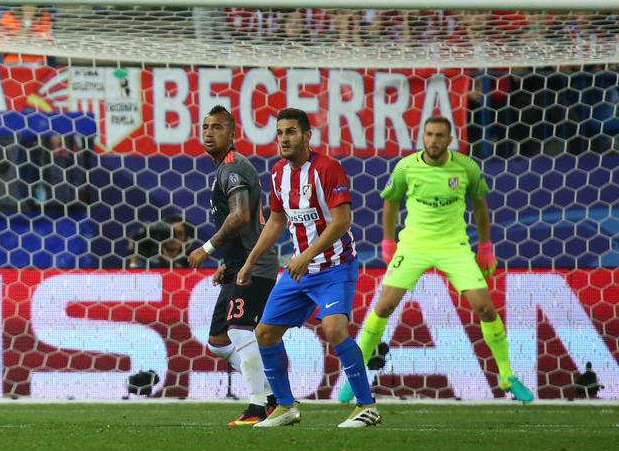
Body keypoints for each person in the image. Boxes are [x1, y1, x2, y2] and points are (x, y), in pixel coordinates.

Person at [339, 116, 534, 404]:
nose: (433, 140)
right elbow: (391, 201)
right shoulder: (407, 167)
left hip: (453, 246)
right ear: (423, 137)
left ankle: (506, 375)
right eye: (429, 134)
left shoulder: (466, 167)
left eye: (439, 135)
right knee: (384, 305)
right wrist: (389, 240)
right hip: (415, 244)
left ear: (449, 139)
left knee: (485, 308)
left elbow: (480, 205)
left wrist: (485, 247)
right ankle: (356, 375)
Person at [237, 108, 380, 429]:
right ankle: (286, 406)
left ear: (306, 135)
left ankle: (366, 406)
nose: (284, 139)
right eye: (280, 133)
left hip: (333, 266)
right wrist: (250, 261)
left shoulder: (328, 169)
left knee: (334, 329)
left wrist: (307, 254)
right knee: (265, 333)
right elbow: (276, 221)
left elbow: (342, 221)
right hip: (299, 271)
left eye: (291, 132)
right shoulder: (277, 174)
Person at [185, 107, 276, 425]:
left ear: (232, 133)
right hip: (239, 263)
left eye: (218, 127)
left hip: (255, 263)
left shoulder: (234, 167)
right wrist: (228, 261)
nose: (209, 133)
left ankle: (257, 406)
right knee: (219, 341)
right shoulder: (224, 169)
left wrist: (207, 248)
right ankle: (271, 394)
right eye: (205, 127)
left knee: (239, 331)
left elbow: (240, 216)